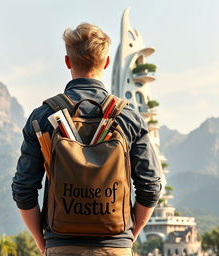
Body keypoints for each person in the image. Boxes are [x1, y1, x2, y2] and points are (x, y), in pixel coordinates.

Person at [12, 23, 161, 256]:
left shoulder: (43, 118)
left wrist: (43, 243)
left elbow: (23, 188)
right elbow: (150, 186)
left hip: (61, 244)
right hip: (116, 246)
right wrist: (128, 237)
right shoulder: (129, 118)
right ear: (107, 62)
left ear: (67, 62)